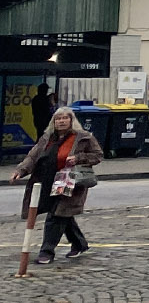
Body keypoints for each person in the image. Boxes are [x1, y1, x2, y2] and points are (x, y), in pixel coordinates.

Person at [9, 107, 104, 264]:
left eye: (65, 118)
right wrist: (20, 170)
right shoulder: (47, 138)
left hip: (70, 181)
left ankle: (46, 252)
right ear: (53, 121)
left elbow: (97, 155)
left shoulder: (83, 137)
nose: (61, 121)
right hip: (48, 180)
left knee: (56, 215)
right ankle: (80, 244)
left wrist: (79, 158)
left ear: (71, 120)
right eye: (58, 119)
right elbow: (33, 156)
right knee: (62, 214)